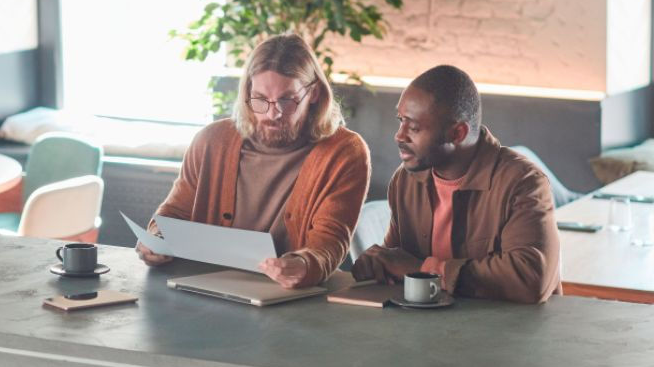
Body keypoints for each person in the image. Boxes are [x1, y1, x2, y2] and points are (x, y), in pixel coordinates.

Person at [137, 34, 371, 289]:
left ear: (313, 93)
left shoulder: (344, 152)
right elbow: (174, 214)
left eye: (287, 100)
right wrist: (156, 238)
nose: (273, 113)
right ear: (247, 92)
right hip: (202, 287)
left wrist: (304, 264)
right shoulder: (212, 140)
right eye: (260, 99)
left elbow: (330, 241)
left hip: (285, 296)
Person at [352, 65, 561, 303]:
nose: (399, 136)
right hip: (429, 330)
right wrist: (378, 263)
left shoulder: (522, 182)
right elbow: (397, 263)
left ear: (457, 133)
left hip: (511, 334)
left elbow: (532, 278)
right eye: (400, 121)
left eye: (413, 127)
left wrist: (426, 269)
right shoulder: (406, 180)